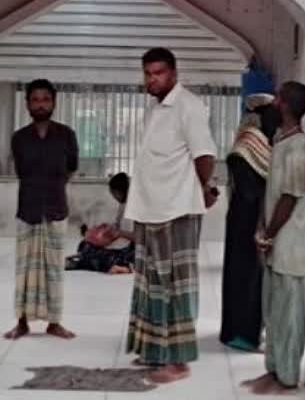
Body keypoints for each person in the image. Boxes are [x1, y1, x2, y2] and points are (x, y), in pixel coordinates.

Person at [125, 47, 219, 384]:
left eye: (159, 73)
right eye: (148, 73)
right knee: (151, 283)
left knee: (176, 286)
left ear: (174, 73)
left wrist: (203, 190)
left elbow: (204, 154)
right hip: (151, 208)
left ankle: (179, 362)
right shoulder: (154, 110)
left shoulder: (188, 107)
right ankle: (154, 351)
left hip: (177, 210)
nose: (152, 79)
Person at [243, 82, 305, 396]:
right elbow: (273, 193)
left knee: (290, 313)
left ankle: (287, 377)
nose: (273, 100)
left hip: (292, 241)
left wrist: (269, 233)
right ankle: (272, 369)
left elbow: (289, 197)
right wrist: (262, 229)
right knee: (273, 309)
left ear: (285, 104)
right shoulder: (280, 140)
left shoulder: (300, 146)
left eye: (278, 96)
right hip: (276, 239)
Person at [6, 79, 79, 341]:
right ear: (27, 104)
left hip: (56, 208)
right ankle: (21, 322)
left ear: (54, 103)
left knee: (54, 270)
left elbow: (71, 166)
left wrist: (53, 186)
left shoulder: (66, 135)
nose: (40, 105)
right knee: (24, 269)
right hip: (27, 209)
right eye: (35, 100)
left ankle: (54, 322)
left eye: (45, 99)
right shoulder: (19, 138)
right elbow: (21, 172)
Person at [220, 93, 281, 353]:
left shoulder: (260, 146)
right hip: (247, 222)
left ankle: (242, 331)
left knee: (248, 276)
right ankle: (242, 334)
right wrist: (261, 226)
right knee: (246, 277)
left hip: (248, 219)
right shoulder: (246, 147)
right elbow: (249, 192)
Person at [66, 173, 135, 274]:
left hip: (129, 250)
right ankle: (81, 259)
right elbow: (118, 225)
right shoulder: (123, 204)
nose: (113, 196)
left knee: (100, 257)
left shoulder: (134, 208)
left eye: (113, 193)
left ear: (119, 191)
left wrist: (119, 233)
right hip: (119, 244)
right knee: (84, 245)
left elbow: (140, 237)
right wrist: (107, 228)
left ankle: (126, 267)